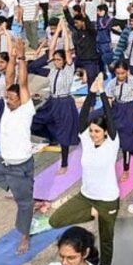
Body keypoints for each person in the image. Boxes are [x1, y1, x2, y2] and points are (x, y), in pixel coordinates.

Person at [48, 75, 120, 265]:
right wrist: (91, 92)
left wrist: (102, 92)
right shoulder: (87, 141)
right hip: (86, 197)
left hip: (107, 200)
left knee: (106, 241)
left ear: (105, 132)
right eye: (91, 131)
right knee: (55, 220)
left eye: (97, 131)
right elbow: (82, 119)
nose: (93, 134)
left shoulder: (112, 143)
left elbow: (110, 117)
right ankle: (91, 213)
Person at [0, 39, 36, 253]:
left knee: (24, 204)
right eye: (7, 97)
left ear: (21, 99)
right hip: (6, 163)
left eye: (11, 98)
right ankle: (16, 186)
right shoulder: (8, 106)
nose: (8, 100)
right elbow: (10, 78)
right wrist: (11, 58)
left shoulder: (25, 109)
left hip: (20, 165)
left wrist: (21, 57)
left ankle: (25, 236)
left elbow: (22, 83)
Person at [31, 22, 81, 173]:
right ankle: (52, 137)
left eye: (59, 60)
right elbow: (51, 49)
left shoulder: (68, 69)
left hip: (64, 102)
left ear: (65, 60)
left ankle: (64, 164)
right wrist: (57, 30)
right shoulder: (53, 68)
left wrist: (64, 31)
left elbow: (67, 50)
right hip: (52, 101)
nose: (56, 61)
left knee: (64, 132)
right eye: (55, 60)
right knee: (34, 121)